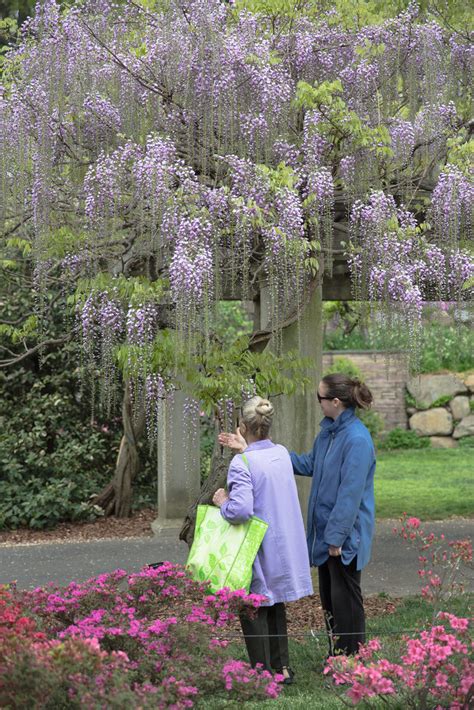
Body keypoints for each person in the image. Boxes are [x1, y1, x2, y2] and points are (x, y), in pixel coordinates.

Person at [218, 374, 376, 659]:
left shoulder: (356, 439)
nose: (318, 403)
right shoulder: (329, 433)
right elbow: (307, 463)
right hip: (328, 536)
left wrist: (336, 538)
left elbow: (350, 495)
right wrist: (255, 449)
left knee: (346, 603)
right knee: (330, 602)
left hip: (343, 538)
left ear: (336, 402)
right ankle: (338, 657)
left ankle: (354, 661)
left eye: (320, 398)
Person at [213, 396, 313, 683]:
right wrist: (245, 448)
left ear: (243, 426)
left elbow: (241, 510)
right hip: (284, 544)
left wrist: (223, 501)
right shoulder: (281, 453)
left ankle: (262, 672)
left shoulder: (241, 463)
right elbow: (263, 467)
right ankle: (282, 668)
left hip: (258, 547)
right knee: (276, 602)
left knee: (252, 605)